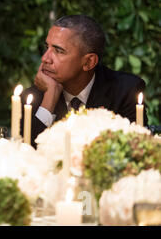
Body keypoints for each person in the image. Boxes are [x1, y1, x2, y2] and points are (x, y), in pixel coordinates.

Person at [21, 14, 146, 148]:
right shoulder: (33, 97)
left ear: (88, 62)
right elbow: (27, 153)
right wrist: (49, 98)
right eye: (47, 48)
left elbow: (135, 150)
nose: (45, 58)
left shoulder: (125, 91)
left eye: (58, 51)